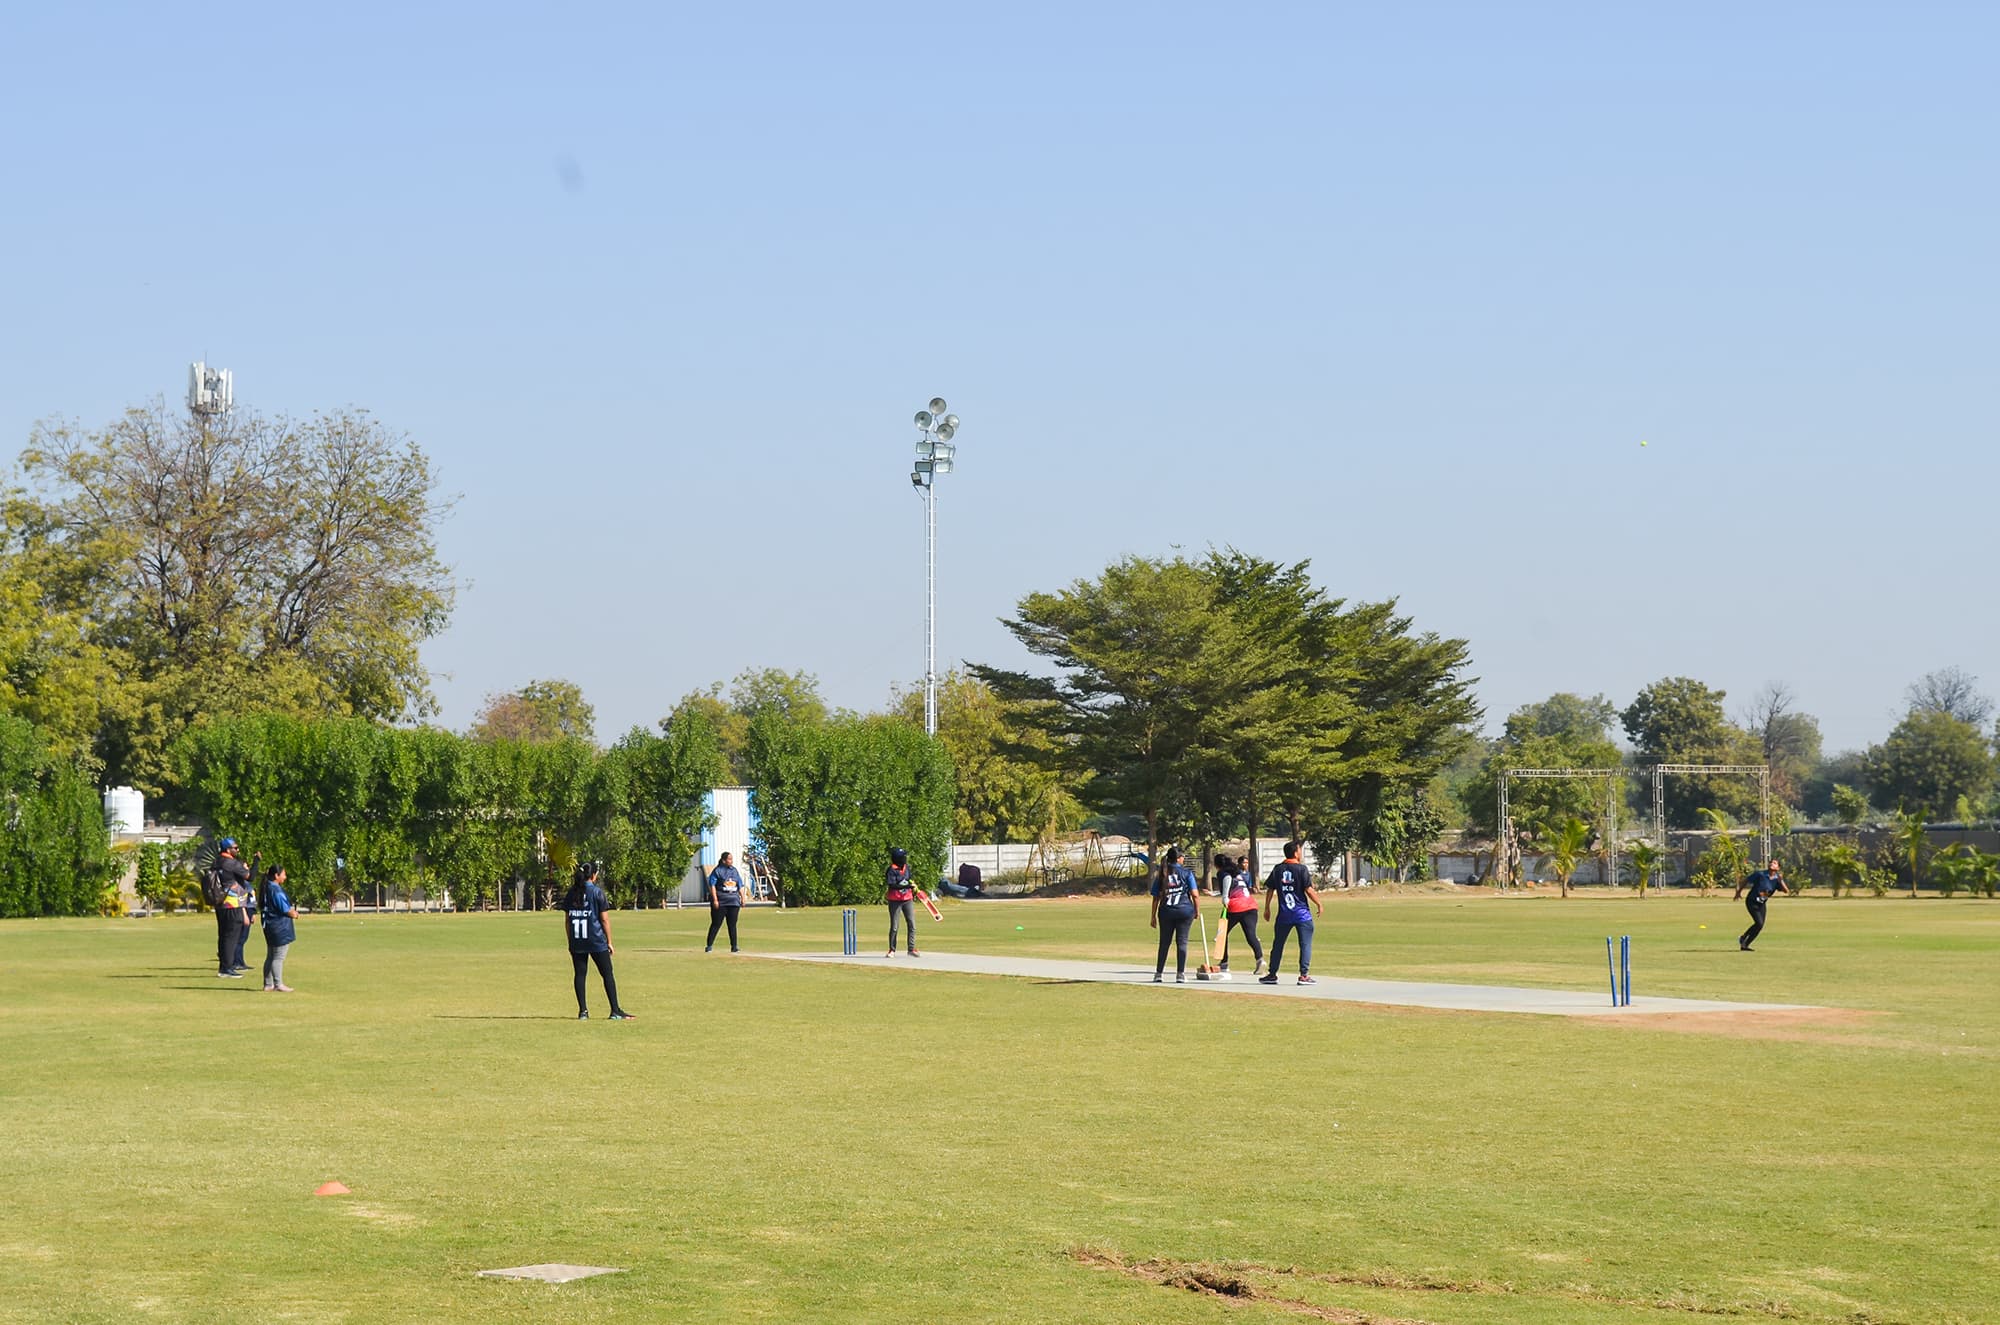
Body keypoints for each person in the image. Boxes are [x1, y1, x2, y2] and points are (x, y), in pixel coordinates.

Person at [563, 862, 631, 1019]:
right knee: (607, 974)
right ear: (593, 875)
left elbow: (567, 920)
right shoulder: (596, 892)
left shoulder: (571, 892)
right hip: (595, 940)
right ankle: (615, 1010)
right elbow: (604, 920)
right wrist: (609, 942)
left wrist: (570, 941)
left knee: (580, 974)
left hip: (577, 940)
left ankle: (583, 1012)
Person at [1260, 841, 1323, 985]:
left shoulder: (1278, 869)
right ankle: (1304, 975)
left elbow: (1270, 889)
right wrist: (1319, 903)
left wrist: (1267, 908)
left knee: (1278, 944)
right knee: (1305, 944)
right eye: (1299, 850)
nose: (1300, 853)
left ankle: (1272, 974)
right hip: (1302, 914)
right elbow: (1308, 889)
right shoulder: (1301, 869)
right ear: (1295, 853)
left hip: (1284, 914)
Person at [1149, 847, 1200, 983]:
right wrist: (1197, 910)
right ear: (1178, 858)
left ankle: (1159, 974)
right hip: (1184, 911)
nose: (1183, 859)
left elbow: (1156, 897)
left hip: (1166, 911)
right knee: (1182, 942)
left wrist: (1153, 916)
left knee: (1164, 943)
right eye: (1182, 857)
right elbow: (1195, 894)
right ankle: (1180, 974)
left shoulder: (1162, 874)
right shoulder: (1187, 873)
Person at [1214, 852, 1265, 976]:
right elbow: (1236, 887)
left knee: (1222, 934)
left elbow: (1227, 881)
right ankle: (1260, 960)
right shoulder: (1237, 873)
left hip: (1236, 906)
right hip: (1251, 905)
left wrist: (1225, 897)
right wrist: (1215, 893)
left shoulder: (1222, 873)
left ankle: (1224, 963)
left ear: (1217, 865)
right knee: (1251, 935)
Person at [212, 839, 252, 978]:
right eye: (236, 847)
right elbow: (249, 876)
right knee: (231, 936)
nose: (238, 850)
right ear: (228, 849)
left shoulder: (217, 862)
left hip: (220, 903)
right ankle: (227, 968)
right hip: (232, 903)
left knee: (223, 935)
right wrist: (256, 862)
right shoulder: (231, 863)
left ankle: (223, 967)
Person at [1734, 858, 1790, 951]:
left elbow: (1786, 891)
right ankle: (1743, 938)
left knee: (1760, 926)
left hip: (1761, 904)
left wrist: (1781, 879)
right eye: (1771, 862)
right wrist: (1738, 892)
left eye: (1775, 863)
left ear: (1778, 867)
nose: (1772, 863)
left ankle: (1745, 944)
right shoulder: (1760, 874)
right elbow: (1745, 880)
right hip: (1752, 901)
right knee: (1759, 923)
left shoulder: (1776, 879)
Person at [260, 865, 298, 992]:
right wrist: (294, 913)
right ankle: (278, 984)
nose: (285, 877)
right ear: (276, 875)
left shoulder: (267, 887)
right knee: (278, 957)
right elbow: (284, 908)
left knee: (271, 955)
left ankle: (268, 984)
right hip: (278, 926)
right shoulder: (275, 890)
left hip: (269, 925)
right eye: (284, 874)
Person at [706, 851, 745, 953]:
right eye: (729, 859)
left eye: (731, 859)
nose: (731, 861)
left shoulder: (734, 871)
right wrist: (715, 899)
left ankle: (734, 946)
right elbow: (712, 885)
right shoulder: (717, 871)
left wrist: (743, 898)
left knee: (732, 925)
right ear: (724, 860)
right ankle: (709, 945)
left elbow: (739, 885)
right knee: (716, 924)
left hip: (733, 902)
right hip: (721, 901)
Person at [885, 847, 919, 957]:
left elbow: (910, 879)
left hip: (907, 899)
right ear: (897, 858)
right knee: (894, 926)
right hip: (894, 900)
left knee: (912, 924)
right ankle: (892, 950)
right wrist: (908, 886)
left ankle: (911, 949)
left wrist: (914, 888)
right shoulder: (891, 869)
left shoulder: (906, 867)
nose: (905, 858)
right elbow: (892, 885)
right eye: (903, 856)